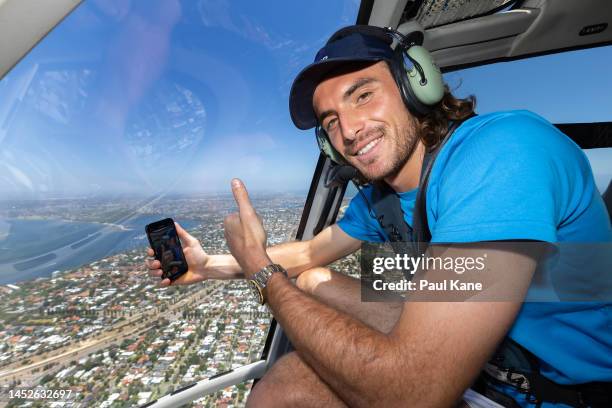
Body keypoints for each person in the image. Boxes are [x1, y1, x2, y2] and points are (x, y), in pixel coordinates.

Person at [146, 25, 612, 407]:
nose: (348, 130)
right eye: (330, 121)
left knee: (295, 354)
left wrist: (262, 274)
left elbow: (414, 395)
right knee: (312, 282)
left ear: (416, 82)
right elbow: (310, 251)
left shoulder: (504, 150)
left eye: (362, 94)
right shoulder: (382, 199)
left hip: (558, 396)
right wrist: (212, 266)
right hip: (486, 367)